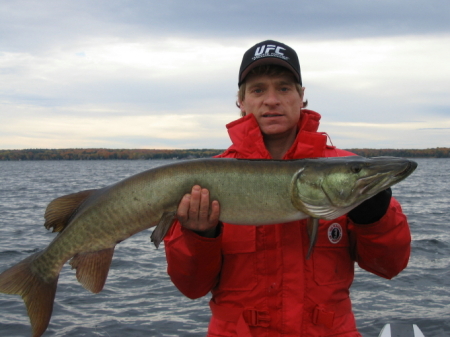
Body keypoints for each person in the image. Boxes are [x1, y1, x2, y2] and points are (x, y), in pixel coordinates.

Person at [163, 40, 411, 336]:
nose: (272, 100)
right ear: (240, 101)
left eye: (283, 88)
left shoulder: (346, 171)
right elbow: (192, 286)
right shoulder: (207, 178)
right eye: (258, 90)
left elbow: (390, 266)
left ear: (301, 96)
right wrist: (199, 236)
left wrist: (375, 217)